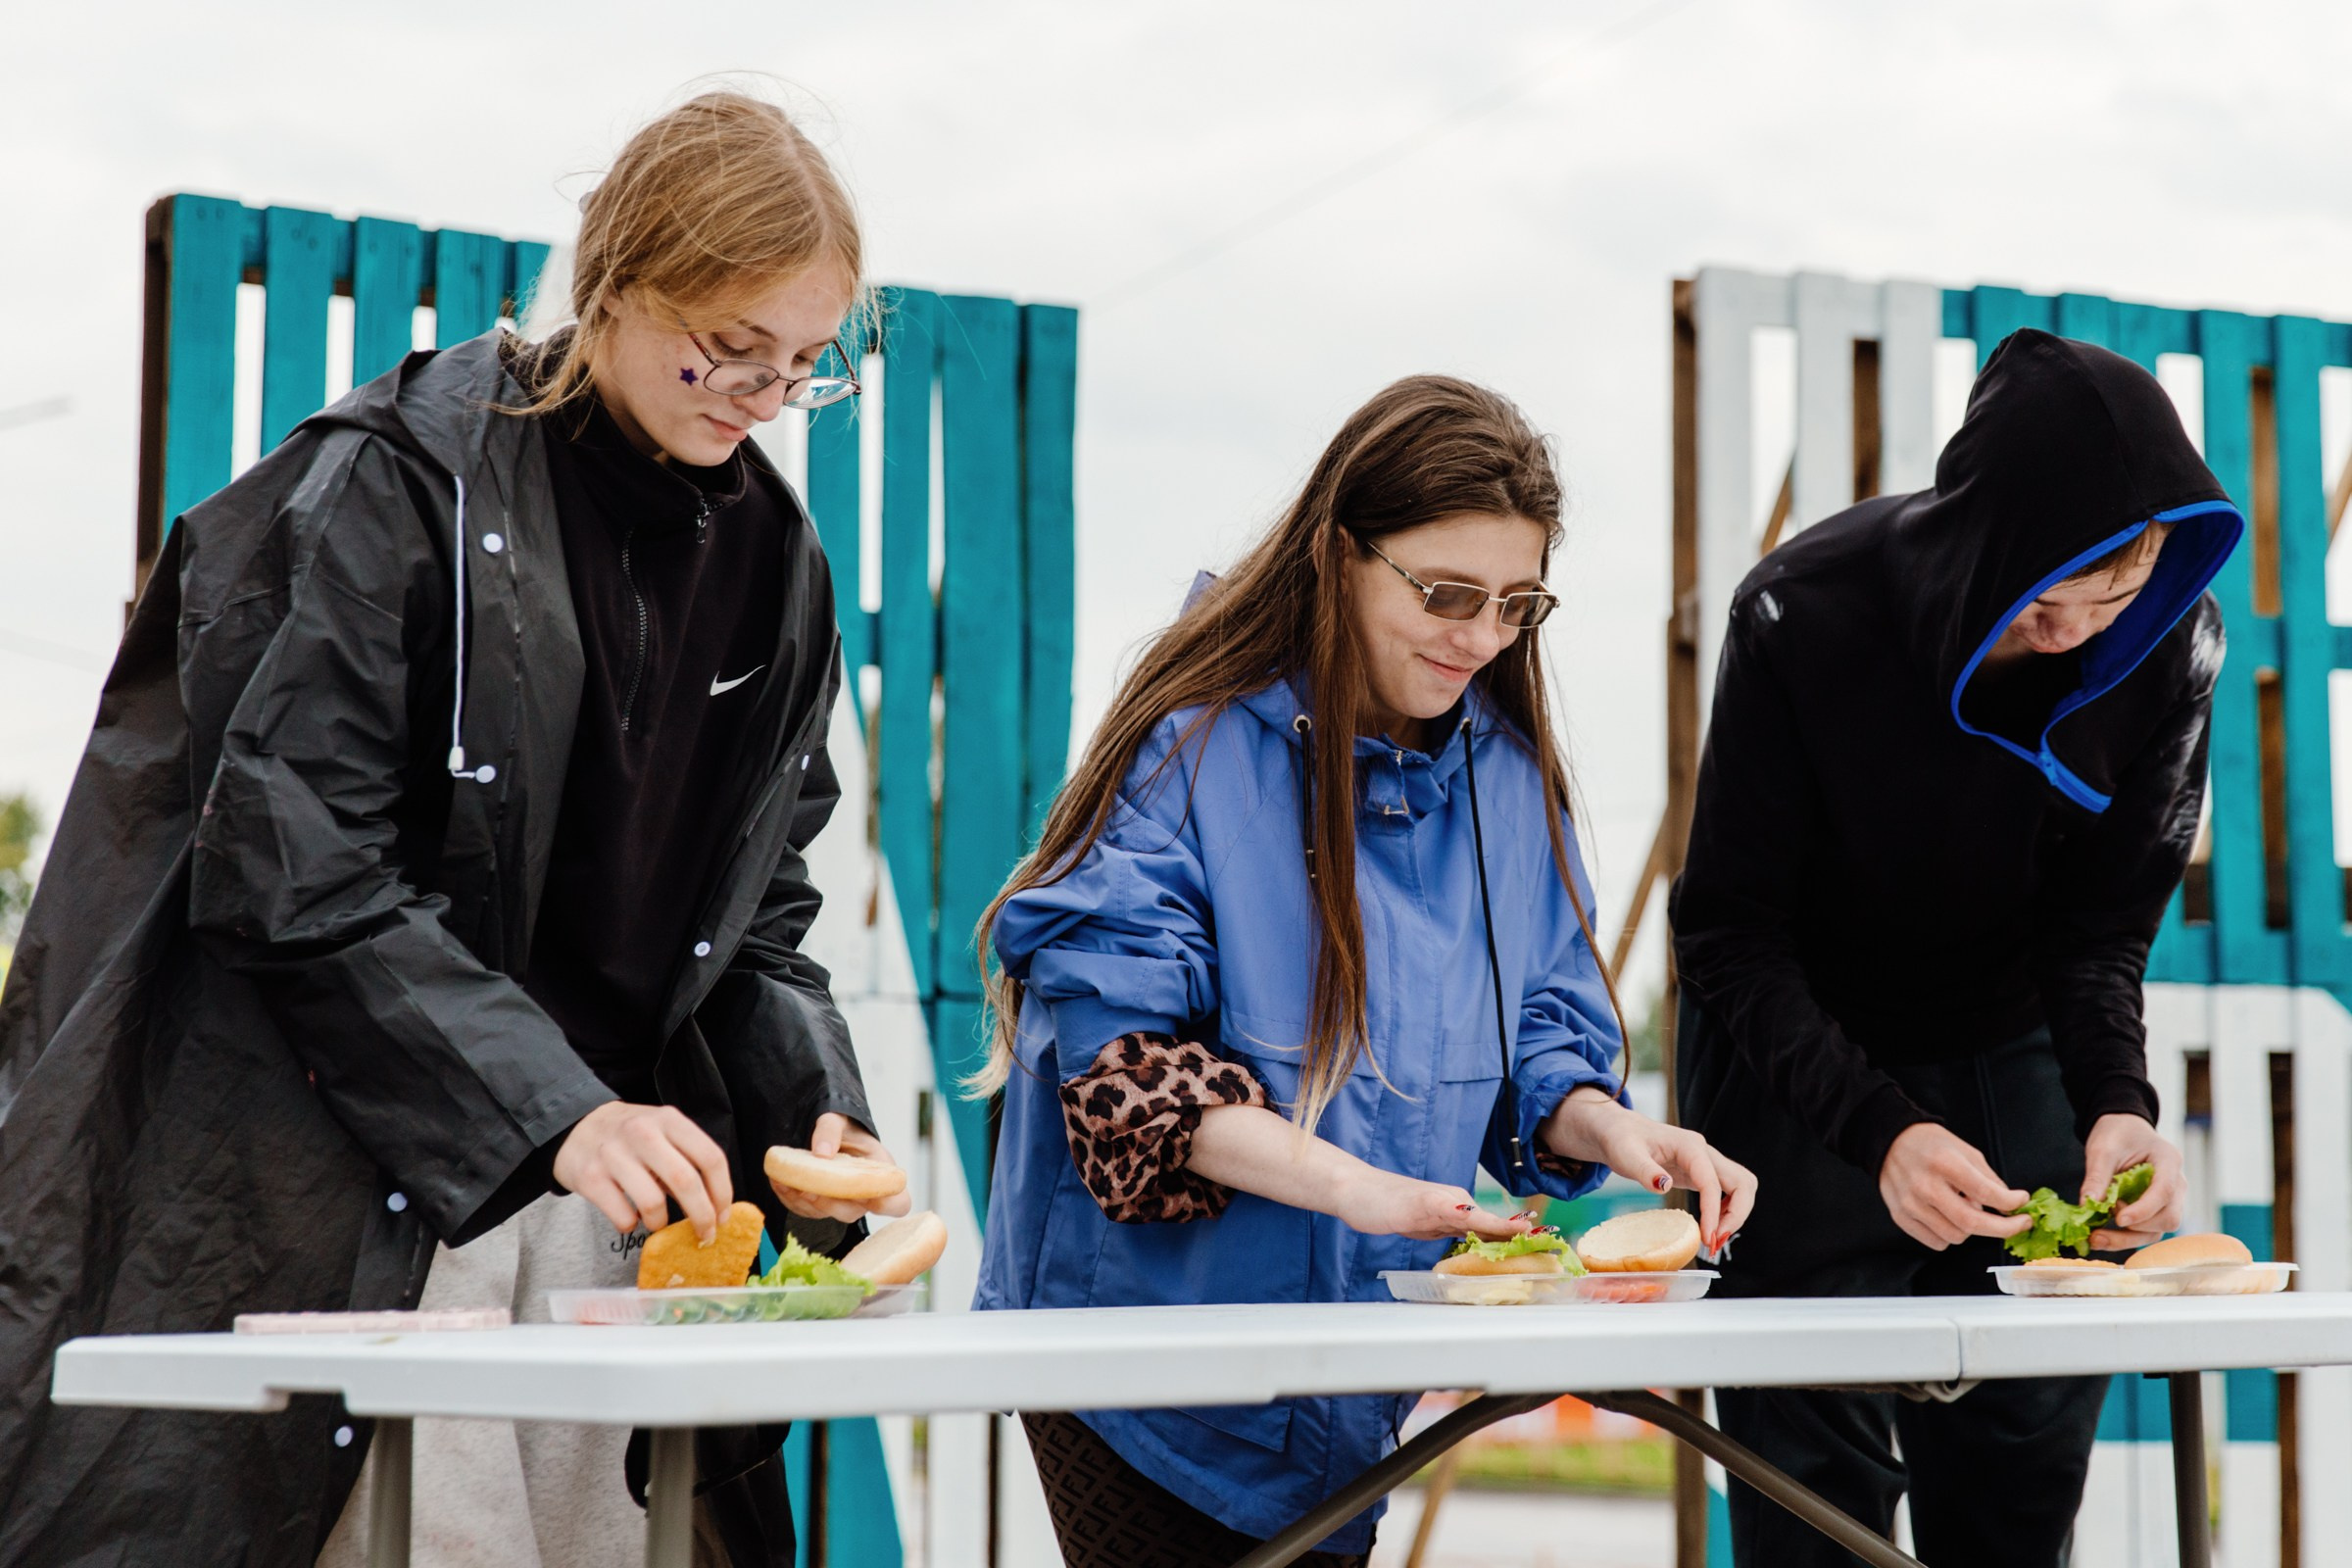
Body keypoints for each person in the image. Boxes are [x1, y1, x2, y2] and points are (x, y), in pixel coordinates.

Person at [0, 90, 906, 1568]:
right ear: (616, 279)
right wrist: (555, 1111)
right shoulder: (392, 485)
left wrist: (820, 1115)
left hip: (623, 1215)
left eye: (806, 366)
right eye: (731, 347)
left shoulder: (775, 564)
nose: (761, 393)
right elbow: (296, 870)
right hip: (372, 1194)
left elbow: (759, 916)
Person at [971, 375, 1759, 1567]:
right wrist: (1359, 1190)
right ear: (1343, 555)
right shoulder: (1190, 743)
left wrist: (1615, 1133)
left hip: (1355, 1371)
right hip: (1143, 1366)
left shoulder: (1508, 778)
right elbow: (1130, 1083)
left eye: (1515, 603)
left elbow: (1540, 1032)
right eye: (1446, 594)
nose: (1481, 637)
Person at [1670, 328, 2244, 1566]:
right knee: (1809, 1489)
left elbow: (2099, 931)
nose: (2079, 636)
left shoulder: (2172, 644)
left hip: (2008, 1032)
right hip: (1796, 1057)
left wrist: (2120, 1104)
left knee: (2022, 1457)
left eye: (2115, 603)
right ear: (1982, 545)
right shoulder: (1797, 613)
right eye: (2046, 602)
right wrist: (1878, 1129)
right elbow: (1727, 928)